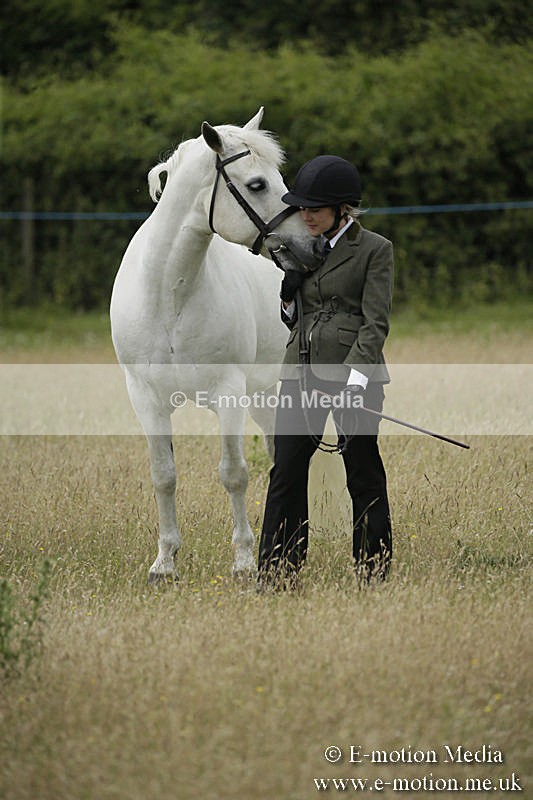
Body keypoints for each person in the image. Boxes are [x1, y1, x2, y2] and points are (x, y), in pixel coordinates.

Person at [257, 155, 394, 587]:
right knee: (286, 470)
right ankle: (278, 571)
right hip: (299, 374)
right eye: (302, 207)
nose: (306, 215)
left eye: (315, 208)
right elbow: (296, 321)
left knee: (363, 472)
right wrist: (287, 299)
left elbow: (375, 324)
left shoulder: (375, 250)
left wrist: (356, 381)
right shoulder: (301, 249)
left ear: (341, 208)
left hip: (355, 377)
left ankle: (372, 569)